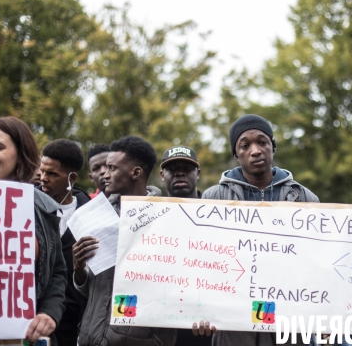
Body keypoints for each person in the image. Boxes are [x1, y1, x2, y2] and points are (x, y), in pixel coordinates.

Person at [202, 114, 319, 346]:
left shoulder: (305, 198)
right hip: (232, 320)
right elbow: (202, 259)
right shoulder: (213, 198)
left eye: (262, 142)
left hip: (291, 319)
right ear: (236, 155)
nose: (255, 150)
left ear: (273, 146)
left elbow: (317, 262)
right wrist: (201, 308)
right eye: (245, 145)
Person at [0, 116, 66, 345]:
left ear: (21, 155)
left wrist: (49, 313)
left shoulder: (42, 209)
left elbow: (57, 272)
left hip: (21, 335)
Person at [72, 135, 174, 346]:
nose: (104, 174)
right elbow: (89, 289)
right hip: (91, 337)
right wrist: (79, 268)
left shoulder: (168, 218)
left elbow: (178, 287)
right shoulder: (95, 216)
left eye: (112, 168)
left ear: (136, 173)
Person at [39, 139, 91, 346]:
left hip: (71, 325)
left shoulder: (91, 215)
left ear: (72, 177)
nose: (43, 178)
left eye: (52, 174)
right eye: (42, 171)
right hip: (31, 319)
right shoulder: (26, 204)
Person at [160, 145, 214, 345]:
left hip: (206, 326)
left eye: (187, 168)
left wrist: (214, 311)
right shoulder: (147, 218)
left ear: (198, 173)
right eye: (172, 169)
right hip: (159, 324)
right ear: (162, 175)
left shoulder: (218, 216)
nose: (180, 172)